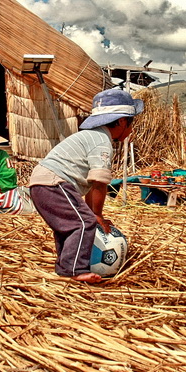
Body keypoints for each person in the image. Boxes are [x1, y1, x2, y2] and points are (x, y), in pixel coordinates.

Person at [29, 88, 143, 283]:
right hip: (54, 182)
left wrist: (94, 214)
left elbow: (91, 185)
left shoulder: (94, 136)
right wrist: (96, 215)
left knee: (69, 226)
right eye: (132, 124)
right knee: (83, 223)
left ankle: (66, 266)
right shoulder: (101, 141)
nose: (132, 130)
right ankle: (74, 270)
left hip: (42, 183)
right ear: (123, 121)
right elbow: (99, 182)